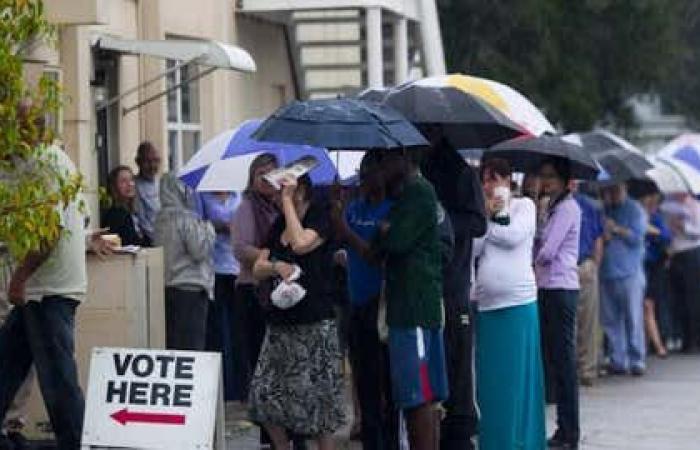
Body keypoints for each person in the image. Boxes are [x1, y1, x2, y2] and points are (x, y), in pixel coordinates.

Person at [249, 174, 345, 450]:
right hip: (281, 321)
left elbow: (301, 244)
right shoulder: (278, 222)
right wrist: (276, 267)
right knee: (264, 393)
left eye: (282, 191)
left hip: (314, 320)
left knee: (316, 400)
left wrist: (290, 202)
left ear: (300, 191)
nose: (276, 197)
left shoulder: (321, 216)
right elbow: (258, 266)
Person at [0, 144, 87, 450]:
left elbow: (48, 234)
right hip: (46, 288)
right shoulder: (57, 160)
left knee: (58, 380)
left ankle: (75, 442)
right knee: (7, 362)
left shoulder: (43, 166)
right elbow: (81, 218)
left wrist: (19, 278)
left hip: (47, 290)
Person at [374, 149, 449, 450]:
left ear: (403, 160)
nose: (382, 168)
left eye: (385, 161)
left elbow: (395, 241)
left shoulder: (419, 192)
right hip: (408, 307)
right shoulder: (405, 195)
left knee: (418, 394)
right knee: (418, 392)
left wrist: (386, 231)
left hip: (413, 309)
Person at [420, 127, 486, 450]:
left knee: (458, 362)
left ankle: (460, 434)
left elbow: (477, 223)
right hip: (426, 281)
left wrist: (440, 221)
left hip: (454, 283)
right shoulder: (418, 168)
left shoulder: (460, 172)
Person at [472, 159, 545, 450]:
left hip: (518, 302)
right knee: (492, 382)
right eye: (485, 180)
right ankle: (495, 440)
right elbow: (475, 247)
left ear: (508, 180)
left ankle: (522, 440)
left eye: (494, 179)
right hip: (488, 304)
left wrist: (495, 215)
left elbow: (512, 237)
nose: (489, 186)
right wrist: (485, 215)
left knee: (518, 380)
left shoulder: (524, 206)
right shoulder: (483, 210)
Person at [331, 152, 396, 450]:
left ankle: (389, 439)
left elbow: (374, 255)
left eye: (371, 171)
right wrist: (336, 214)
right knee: (362, 379)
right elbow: (339, 240)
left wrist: (346, 233)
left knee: (386, 382)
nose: (365, 178)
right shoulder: (354, 207)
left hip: (380, 304)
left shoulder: (391, 209)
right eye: (362, 171)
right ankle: (370, 437)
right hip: (354, 302)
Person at [534, 158, 581, 450]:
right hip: (549, 288)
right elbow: (543, 241)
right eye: (543, 176)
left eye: (551, 177)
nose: (545, 182)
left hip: (560, 288)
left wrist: (530, 259)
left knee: (564, 362)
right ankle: (563, 429)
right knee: (555, 360)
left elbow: (548, 251)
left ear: (564, 181)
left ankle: (570, 431)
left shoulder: (567, 208)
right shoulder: (553, 208)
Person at [230, 153, 280, 401]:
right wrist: (272, 259)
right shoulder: (247, 207)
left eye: (271, 173)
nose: (266, 179)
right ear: (251, 178)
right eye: (260, 174)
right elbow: (240, 248)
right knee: (259, 360)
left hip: (278, 291)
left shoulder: (281, 207)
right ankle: (265, 431)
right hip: (252, 291)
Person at [154, 174, 215, 351]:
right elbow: (199, 251)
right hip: (191, 287)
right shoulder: (187, 219)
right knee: (192, 347)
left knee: (173, 345)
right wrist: (208, 228)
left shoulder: (160, 219)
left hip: (167, 286)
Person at [599, 183, 647, 376]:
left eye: (616, 190)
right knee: (610, 320)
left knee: (633, 317)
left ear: (625, 189)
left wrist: (616, 228)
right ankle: (618, 359)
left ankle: (637, 360)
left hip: (630, 272)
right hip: (607, 271)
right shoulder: (605, 209)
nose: (613, 193)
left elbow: (637, 237)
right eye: (610, 190)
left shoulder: (635, 209)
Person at [197, 191, 241, 400]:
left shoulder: (237, 195)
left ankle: (238, 387)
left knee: (236, 330)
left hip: (237, 268)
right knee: (219, 331)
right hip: (214, 267)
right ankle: (223, 387)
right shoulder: (202, 196)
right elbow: (198, 225)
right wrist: (219, 227)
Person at [572, 184, 605, 386]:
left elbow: (598, 238)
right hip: (564, 267)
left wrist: (594, 265)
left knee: (588, 321)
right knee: (571, 323)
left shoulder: (588, 206)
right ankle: (575, 368)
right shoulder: (549, 204)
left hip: (584, 264)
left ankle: (587, 369)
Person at [662, 192, 700, 353]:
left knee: (692, 298)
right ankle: (682, 336)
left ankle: (693, 339)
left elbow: (697, 231)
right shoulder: (667, 205)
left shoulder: (695, 206)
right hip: (674, 253)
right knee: (678, 298)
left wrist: (682, 226)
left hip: (691, 252)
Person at [640, 191, 671, 357]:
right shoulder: (636, 215)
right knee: (644, 309)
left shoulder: (656, 219)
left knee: (648, 307)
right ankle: (648, 345)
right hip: (639, 268)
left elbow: (666, 237)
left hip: (652, 269)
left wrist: (653, 231)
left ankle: (658, 345)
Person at [102, 165, 148, 246]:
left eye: (131, 180)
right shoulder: (115, 215)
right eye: (123, 181)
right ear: (114, 186)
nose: (130, 184)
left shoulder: (135, 212)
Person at [134, 141, 161, 246]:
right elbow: (142, 222)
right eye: (147, 161)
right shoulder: (135, 186)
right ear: (138, 162)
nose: (152, 166)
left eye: (156, 161)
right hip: (152, 244)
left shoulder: (161, 184)